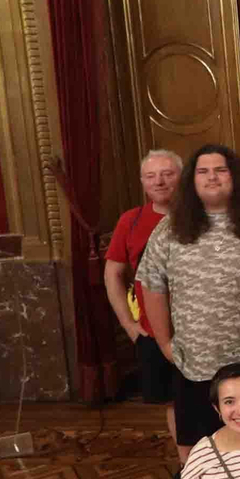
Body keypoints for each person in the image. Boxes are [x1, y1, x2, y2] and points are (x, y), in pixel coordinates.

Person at [138, 144, 240, 479]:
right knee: (195, 432)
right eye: (203, 171)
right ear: (192, 181)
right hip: (195, 354)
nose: (212, 177)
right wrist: (164, 342)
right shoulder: (171, 228)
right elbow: (152, 284)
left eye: (220, 170)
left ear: (234, 177)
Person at [105, 149, 182, 448]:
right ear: (142, 182)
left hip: (202, 326)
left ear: (182, 177)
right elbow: (113, 273)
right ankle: (187, 469)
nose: (159, 182)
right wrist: (128, 324)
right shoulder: (131, 221)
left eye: (167, 174)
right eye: (151, 176)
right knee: (173, 402)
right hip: (151, 329)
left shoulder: (201, 216)